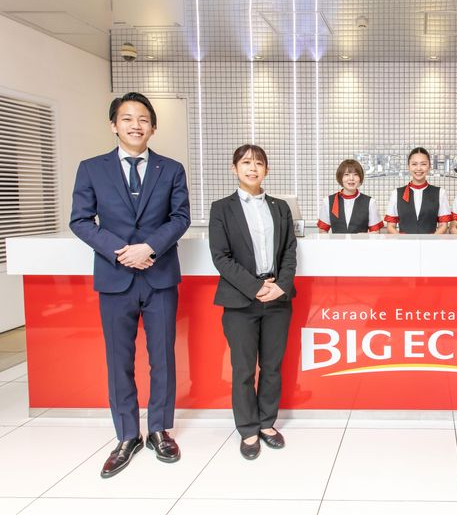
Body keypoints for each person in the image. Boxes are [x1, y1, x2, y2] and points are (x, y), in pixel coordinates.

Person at [69, 92, 190, 478]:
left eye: (143, 119)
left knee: (162, 358)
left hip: (159, 276)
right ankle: (126, 435)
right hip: (115, 277)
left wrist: (149, 247)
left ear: (153, 127)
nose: (136, 125)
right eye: (127, 118)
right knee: (118, 360)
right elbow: (80, 220)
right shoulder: (92, 168)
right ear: (114, 125)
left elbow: (180, 217)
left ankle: (159, 430)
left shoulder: (171, 169)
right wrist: (121, 252)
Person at [208, 144, 297, 460]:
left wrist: (280, 287)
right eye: (246, 162)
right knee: (244, 368)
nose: (252, 168)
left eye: (259, 163)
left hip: (277, 298)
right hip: (240, 299)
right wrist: (256, 287)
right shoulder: (222, 208)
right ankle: (247, 428)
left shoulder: (280, 207)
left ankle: (267, 423)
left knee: (272, 365)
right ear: (234, 168)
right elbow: (221, 257)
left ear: (266, 170)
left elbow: (289, 251)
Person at [384, 147, 451, 234]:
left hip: (431, 242)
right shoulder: (396, 193)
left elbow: (443, 225)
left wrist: (431, 240)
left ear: (429, 167)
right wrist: (402, 240)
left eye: (423, 164)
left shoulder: (440, 193)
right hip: (404, 242)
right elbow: (390, 226)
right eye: (414, 164)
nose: (418, 168)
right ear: (408, 166)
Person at [317, 159, 384, 233]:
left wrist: (365, 236)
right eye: (347, 174)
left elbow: (376, 232)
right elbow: (322, 231)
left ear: (360, 178)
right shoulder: (328, 201)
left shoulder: (370, 202)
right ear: (340, 177)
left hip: (361, 241)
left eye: (355, 174)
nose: (351, 178)